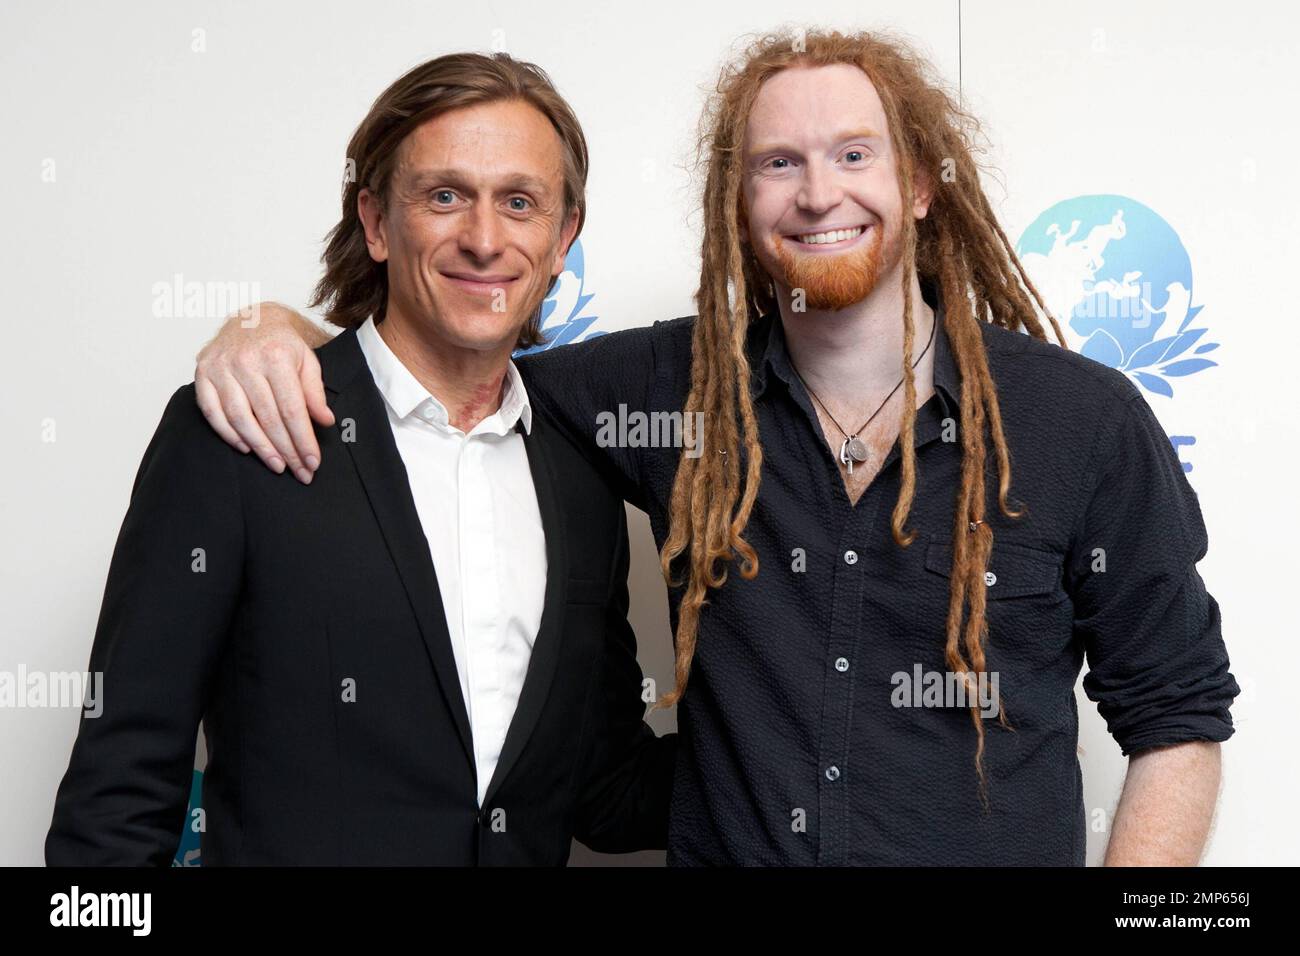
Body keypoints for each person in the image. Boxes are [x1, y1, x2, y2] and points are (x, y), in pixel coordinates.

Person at [193, 30, 1237, 866]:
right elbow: (441, 367)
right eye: (778, 164)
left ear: (919, 184)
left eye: (854, 155)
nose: (818, 193)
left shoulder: (1082, 423)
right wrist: (276, 330)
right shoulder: (662, 393)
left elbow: (1176, 715)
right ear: (739, 209)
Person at [47, 52, 676, 866]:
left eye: (519, 203)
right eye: (445, 196)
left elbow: (606, 789)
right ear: (376, 223)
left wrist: (830, 753)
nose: (484, 239)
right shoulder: (245, 431)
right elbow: (118, 794)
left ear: (562, 240)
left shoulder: (579, 475)